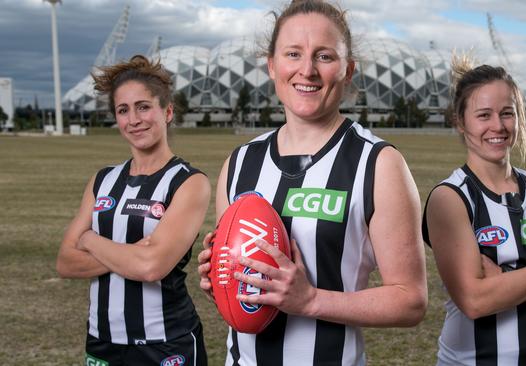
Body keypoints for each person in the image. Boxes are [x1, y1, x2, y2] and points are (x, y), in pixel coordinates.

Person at [197, 0, 428, 364]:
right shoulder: (240, 163)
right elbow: (241, 285)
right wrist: (221, 278)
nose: (307, 70)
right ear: (272, 65)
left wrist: (312, 300)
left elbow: (410, 301)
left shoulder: (378, 164)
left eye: (324, 56)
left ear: (348, 70)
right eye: (293, 54)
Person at [423, 56, 526, 365]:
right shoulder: (449, 199)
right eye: (483, 115)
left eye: (507, 113)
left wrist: (503, 279)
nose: (498, 126)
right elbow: (474, 300)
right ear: (460, 122)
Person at [56, 55, 210, 365]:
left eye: (143, 107)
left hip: (165, 344)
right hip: (102, 342)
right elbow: (65, 262)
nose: (134, 119)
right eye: (123, 110)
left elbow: (150, 267)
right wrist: (132, 255)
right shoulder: (103, 180)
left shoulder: (189, 182)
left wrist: (89, 241)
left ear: (166, 112)